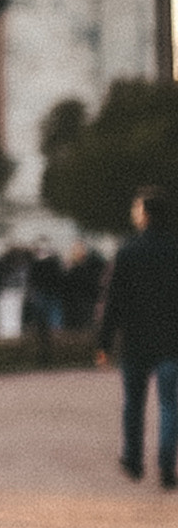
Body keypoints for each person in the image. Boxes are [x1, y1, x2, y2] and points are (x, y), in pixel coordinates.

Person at [98, 189, 178, 488]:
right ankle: (167, 464)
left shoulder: (127, 251)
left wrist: (103, 342)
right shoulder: (175, 250)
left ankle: (133, 459)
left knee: (134, 402)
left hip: (135, 341)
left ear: (144, 214)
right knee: (170, 404)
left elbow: (113, 301)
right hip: (171, 340)